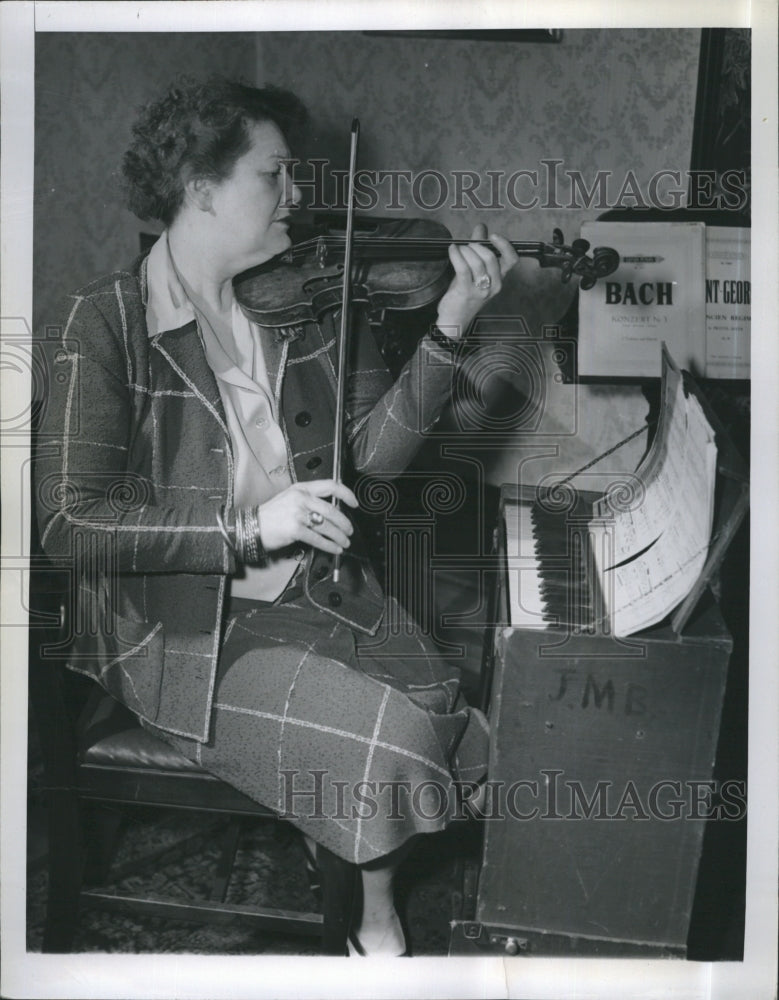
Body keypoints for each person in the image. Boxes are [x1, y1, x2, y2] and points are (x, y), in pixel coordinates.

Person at [35, 76, 519, 956]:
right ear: (200, 187)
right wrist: (249, 528)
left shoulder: (307, 300)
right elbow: (71, 522)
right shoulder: (101, 321)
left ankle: (334, 824)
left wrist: (451, 325)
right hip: (188, 627)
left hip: (321, 592)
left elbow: (370, 466)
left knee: (467, 720)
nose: (301, 195)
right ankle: (374, 921)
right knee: (400, 742)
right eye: (277, 174)